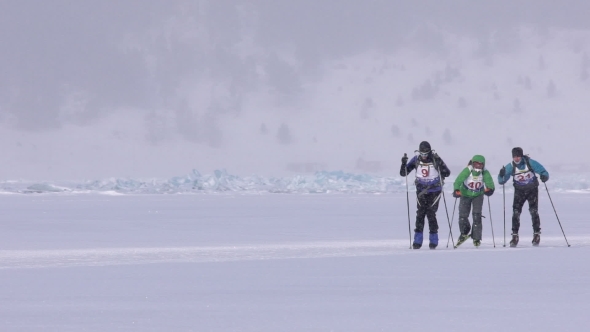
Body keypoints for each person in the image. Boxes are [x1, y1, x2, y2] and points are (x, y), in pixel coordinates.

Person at [400, 141, 451, 249]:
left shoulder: (435, 159)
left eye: (426, 154)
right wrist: (403, 164)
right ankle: (417, 241)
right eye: (422, 154)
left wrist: (439, 165)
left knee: (431, 213)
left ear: (430, 152)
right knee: (420, 214)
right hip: (421, 191)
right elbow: (404, 173)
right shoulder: (416, 160)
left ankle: (433, 240)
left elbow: (447, 173)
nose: (424, 156)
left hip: (435, 191)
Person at [498, 147, 549, 247]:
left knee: (533, 211)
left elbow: (543, 171)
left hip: (532, 190)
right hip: (519, 191)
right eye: (514, 157)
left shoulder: (530, 162)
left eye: (518, 156)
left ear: (521, 156)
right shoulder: (510, 166)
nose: (516, 159)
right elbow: (501, 181)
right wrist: (501, 174)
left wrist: (544, 176)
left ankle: (536, 234)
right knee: (516, 212)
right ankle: (515, 236)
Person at [452, 155, 495, 247]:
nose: (478, 166)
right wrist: (456, 190)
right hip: (465, 195)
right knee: (463, 216)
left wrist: (490, 189)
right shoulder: (467, 170)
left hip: (478, 195)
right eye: (476, 163)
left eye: (480, 164)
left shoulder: (485, 172)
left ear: (483, 165)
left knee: (477, 216)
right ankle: (464, 233)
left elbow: (489, 182)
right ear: (473, 163)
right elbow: (458, 181)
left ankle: (476, 238)